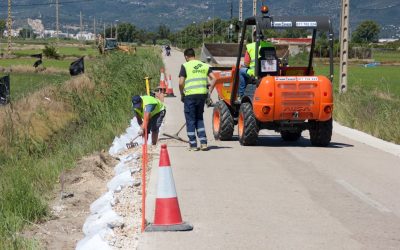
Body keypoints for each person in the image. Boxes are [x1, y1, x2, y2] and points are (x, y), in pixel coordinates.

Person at [179, 48, 216, 151]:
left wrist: (182, 94)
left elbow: (181, 83)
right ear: (194, 55)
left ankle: (193, 145)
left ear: (186, 56)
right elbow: (214, 78)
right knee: (199, 118)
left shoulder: (185, 66)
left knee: (190, 120)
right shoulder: (204, 65)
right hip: (201, 96)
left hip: (190, 96)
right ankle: (203, 143)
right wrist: (209, 93)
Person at [238, 31, 274, 98]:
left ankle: (241, 95)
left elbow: (246, 64)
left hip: (255, 73)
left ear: (254, 37)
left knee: (241, 71)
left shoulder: (250, 46)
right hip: (269, 73)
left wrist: (245, 66)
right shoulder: (269, 45)